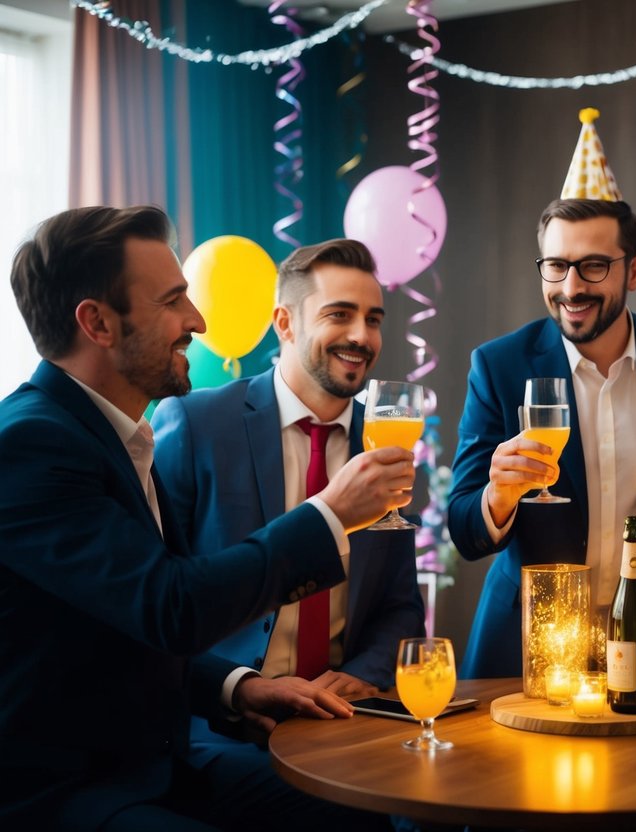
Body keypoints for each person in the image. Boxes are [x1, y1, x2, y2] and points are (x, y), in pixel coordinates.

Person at [0, 205, 411, 829]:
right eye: (173, 300)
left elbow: (126, 627)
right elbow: (173, 606)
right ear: (97, 323)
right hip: (70, 791)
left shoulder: (114, 437)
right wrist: (330, 514)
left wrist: (235, 689)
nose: (197, 320)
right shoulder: (32, 446)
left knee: (360, 814)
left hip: (159, 765)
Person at [448, 109, 636, 677]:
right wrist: (499, 497)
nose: (571, 287)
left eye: (593, 267)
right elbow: (465, 530)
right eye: (555, 267)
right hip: (526, 646)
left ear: (633, 271)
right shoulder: (499, 366)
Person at [151, 240, 427, 807]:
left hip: (352, 719)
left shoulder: (388, 441)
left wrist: (361, 675)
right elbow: (159, 603)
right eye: (339, 314)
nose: (362, 336)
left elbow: (400, 606)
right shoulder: (196, 423)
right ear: (284, 322)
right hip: (227, 727)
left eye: (373, 320)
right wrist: (240, 690)